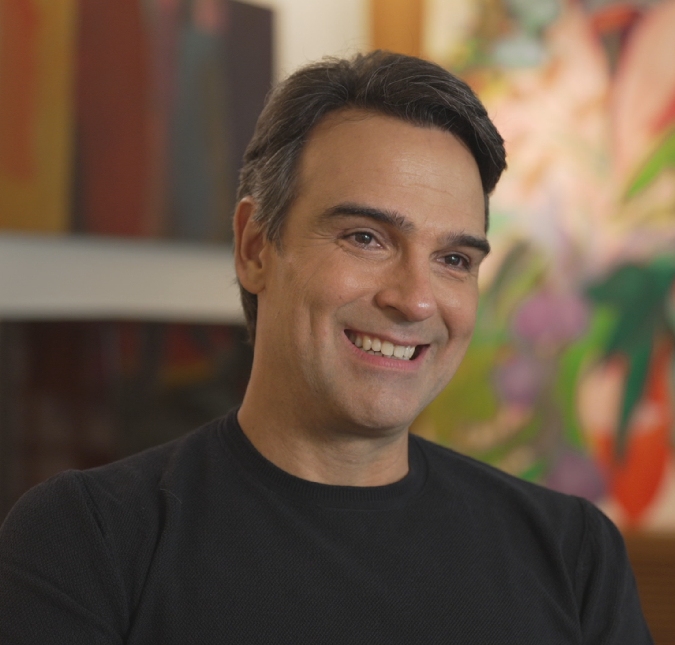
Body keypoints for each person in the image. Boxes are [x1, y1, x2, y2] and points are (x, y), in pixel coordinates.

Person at [0, 51, 652, 644]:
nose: (415, 300)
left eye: (454, 259)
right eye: (366, 238)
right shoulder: (89, 540)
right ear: (256, 247)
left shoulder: (572, 552)